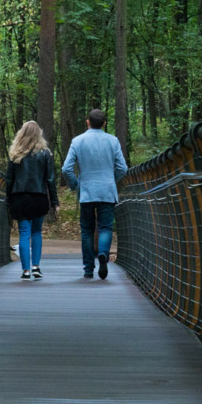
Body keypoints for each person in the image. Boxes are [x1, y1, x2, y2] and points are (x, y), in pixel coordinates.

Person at [61, 108, 128, 279]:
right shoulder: (113, 141)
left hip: (87, 192)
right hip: (107, 191)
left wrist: (76, 185)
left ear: (87, 122)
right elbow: (123, 168)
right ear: (104, 123)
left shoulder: (77, 141)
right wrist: (111, 179)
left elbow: (66, 169)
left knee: (87, 230)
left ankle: (88, 269)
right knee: (106, 227)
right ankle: (103, 254)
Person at [5, 121, 59, 281]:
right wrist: (55, 201)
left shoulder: (15, 154)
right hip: (38, 197)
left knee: (24, 233)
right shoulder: (45, 153)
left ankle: (25, 271)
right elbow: (50, 179)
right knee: (36, 232)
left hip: (19, 197)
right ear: (39, 134)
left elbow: (9, 180)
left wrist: (7, 198)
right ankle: (36, 266)